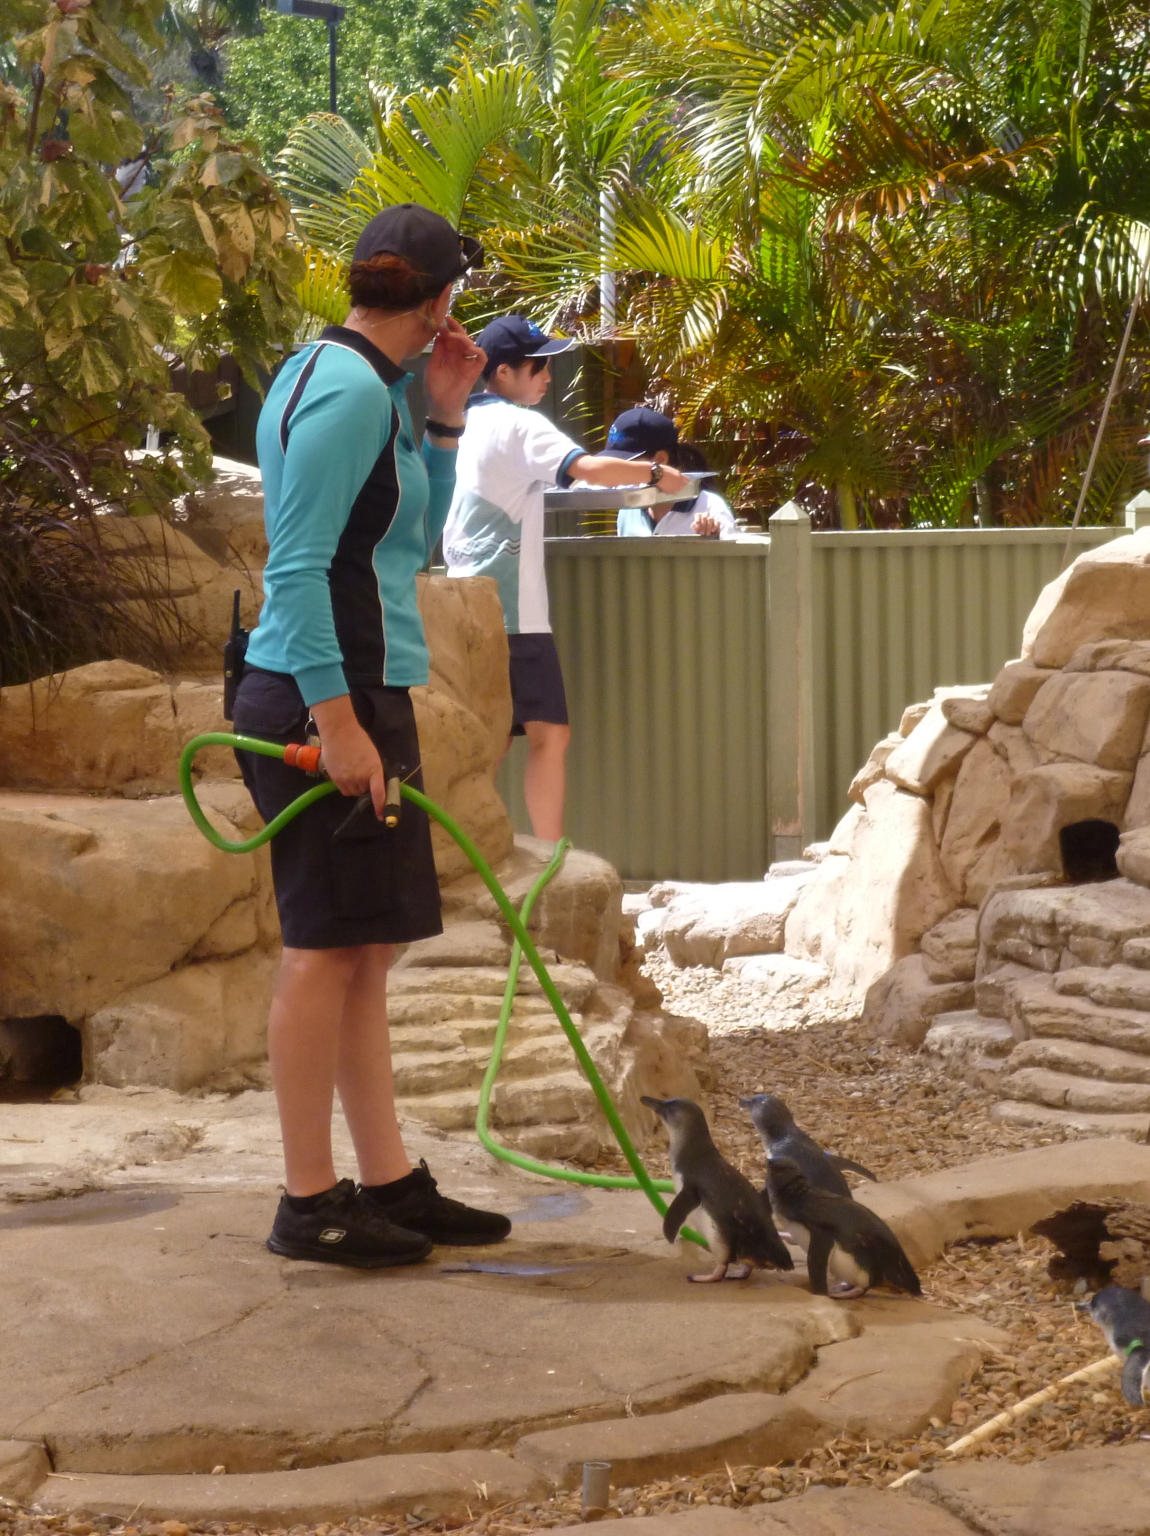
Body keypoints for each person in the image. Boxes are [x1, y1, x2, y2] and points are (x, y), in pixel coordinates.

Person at [233, 203, 508, 1269]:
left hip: (361, 681)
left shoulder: (370, 383)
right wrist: (338, 722)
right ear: (439, 301)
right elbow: (295, 567)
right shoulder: (343, 390)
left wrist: (443, 418)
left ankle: (386, 1177)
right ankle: (308, 1201)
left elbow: (412, 542)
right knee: (320, 950)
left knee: (364, 949)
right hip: (322, 692)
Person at [440, 316, 688, 841]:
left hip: (463, 600)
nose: (548, 375)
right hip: (511, 611)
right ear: (503, 372)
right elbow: (590, 470)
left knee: (492, 739)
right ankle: (550, 858)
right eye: (539, 365)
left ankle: (467, 845)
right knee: (548, 734)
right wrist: (659, 475)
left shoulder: (459, 422)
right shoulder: (517, 424)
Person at [599, 407, 738, 537]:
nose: (618, 471)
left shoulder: (711, 508)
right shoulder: (627, 511)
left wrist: (713, 537)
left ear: (660, 459)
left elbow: (730, 561)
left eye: (627, 463)